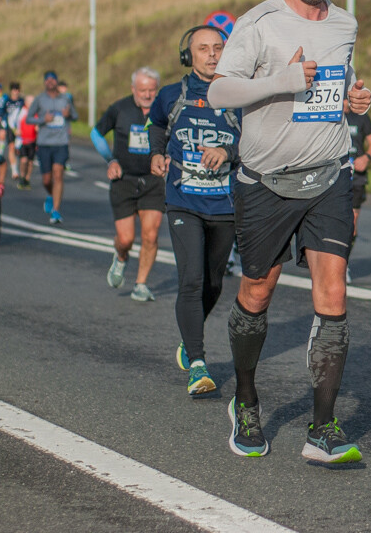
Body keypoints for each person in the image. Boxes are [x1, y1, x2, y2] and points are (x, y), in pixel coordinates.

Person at [207, 0, 371, 461]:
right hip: (265, 183)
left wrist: (354, 97)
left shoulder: (345, 24)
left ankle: (322, 429)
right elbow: (219, 90)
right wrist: (283, 80)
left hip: (328, 172)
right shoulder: (259, 23)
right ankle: (247, 400)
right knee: (257, 293)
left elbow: (340, 80)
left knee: (334, 295)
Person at [148, 26, 242, 395]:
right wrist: (157, 152)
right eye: (203, 49)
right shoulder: (172, 96)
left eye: (218, 47)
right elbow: (156, 125)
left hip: (225, 205)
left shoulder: (239, 97)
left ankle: (190, 338)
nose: (212, 54)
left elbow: (258, 141)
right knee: (191, 279)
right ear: (188, 56)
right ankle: (198, 364)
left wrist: (229, 152)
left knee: (213, 282)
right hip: (183, 200)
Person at [94, 67, 164, 302]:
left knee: (151, 235)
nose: (147, 94)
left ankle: (141, 284)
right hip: (123, 181)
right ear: (133, 89)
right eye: (142, 90)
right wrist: (110, 160)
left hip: (153, 181)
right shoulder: (120, 108)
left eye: (152, 90)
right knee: (125, 239)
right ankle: (121, 257)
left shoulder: (164, 109)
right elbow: (96, 134)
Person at [26, 70, 77, 224]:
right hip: (44, 143)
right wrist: (43, 119)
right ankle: (50, 194)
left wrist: (68, 115)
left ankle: (55, 211)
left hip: (61, 143)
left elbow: (75, 116)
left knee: (58, 174)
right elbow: (28, 118)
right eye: (47, 80)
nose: (50, 82)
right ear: (44, 83)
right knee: (47, 180)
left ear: (56, 81)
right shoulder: (40, 99)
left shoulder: (65, 99)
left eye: (52, 80)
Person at [344, 99, 371, 258]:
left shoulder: (361, 116)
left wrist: (366, 158)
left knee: (352, 221)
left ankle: (345, 263)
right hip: (332, 175)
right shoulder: (329, 115)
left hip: (355, 176)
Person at [3, 82, 27, 181]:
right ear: (11, 91)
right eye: (14, 89)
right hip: (10, 127)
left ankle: (18, 166)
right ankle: (14, 171)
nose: (16, 92)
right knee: (11, 147)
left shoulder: (22, 101)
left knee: (19, 149)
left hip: (20, 128)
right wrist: (4, 124)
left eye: (17, 90)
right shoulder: (7, 101)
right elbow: (3, 113)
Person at [15, 94, 38, 189]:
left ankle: (27, 179)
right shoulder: (21, 112)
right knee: (24, 160)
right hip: (22, 141)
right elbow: (13, 122)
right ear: (26, 102)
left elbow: (38, 124)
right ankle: (22, 177)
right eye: (30, 102)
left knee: (30, 162)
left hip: (33, 140)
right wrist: (16, 130)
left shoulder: (36, 113)